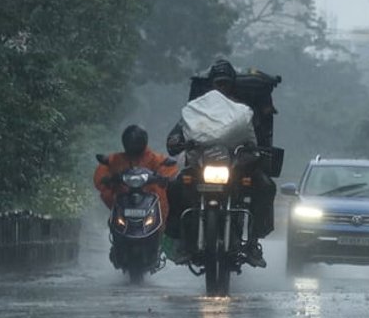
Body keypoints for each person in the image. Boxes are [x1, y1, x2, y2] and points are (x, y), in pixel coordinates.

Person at [165, 59, 274, 268]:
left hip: (235, 166)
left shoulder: (242, 111)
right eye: (218, 83)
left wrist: (255, 148)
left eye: (225, 83)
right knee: (175, 185)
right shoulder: (197, 109)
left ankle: (252, 242)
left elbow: (256, 137)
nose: (221, 87)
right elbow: (180, 129)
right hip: (201, 165)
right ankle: (181, 240)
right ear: (212, 84)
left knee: (266, 186)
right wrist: (176, 140)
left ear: (232, 84)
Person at [93, 125, 177, 221]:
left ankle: (162, 223)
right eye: (131, 143)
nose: (133, 146)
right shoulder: (117, 159)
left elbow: (168, 169)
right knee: (107, 192)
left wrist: (164, 179)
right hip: (124, 200)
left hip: (150, 202)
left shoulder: (154, 158)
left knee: (163, 193)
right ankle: (116, 217)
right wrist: (107, 179)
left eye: (136, 143)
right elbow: (104, 171)